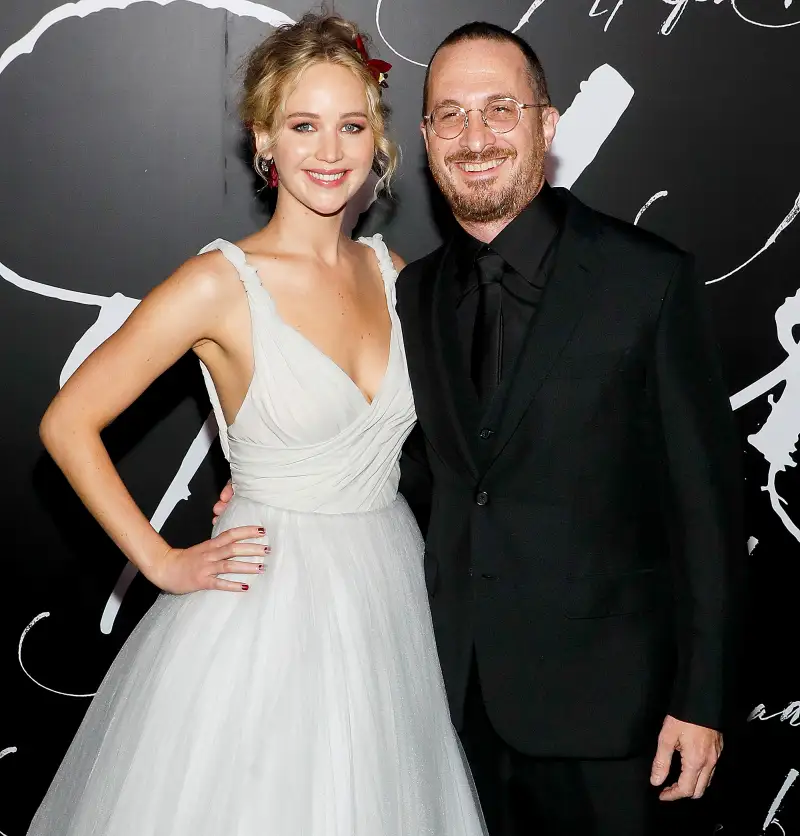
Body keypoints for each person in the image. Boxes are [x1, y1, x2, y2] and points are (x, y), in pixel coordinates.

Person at [215, 20, 747, 836]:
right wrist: (286, 477)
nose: (475, 138)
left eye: (501, 109)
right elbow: (429, 467)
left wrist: (702, 700)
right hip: (445, 700)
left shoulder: (647, 279)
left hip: (615, 719)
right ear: (426, 139)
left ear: (548, 123)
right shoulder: (414, 292)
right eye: (450, 115)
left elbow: (708, 510)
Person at [28, 14, 486, 836]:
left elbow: (434, 446)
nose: (330, 150)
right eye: (304, 125)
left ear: (378, 140)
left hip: (386, 596)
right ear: (264, 139)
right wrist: (161, 560)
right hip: (263, 605)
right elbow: (68, 422)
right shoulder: (219, 283)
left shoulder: (395, 276)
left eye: (351, 126)